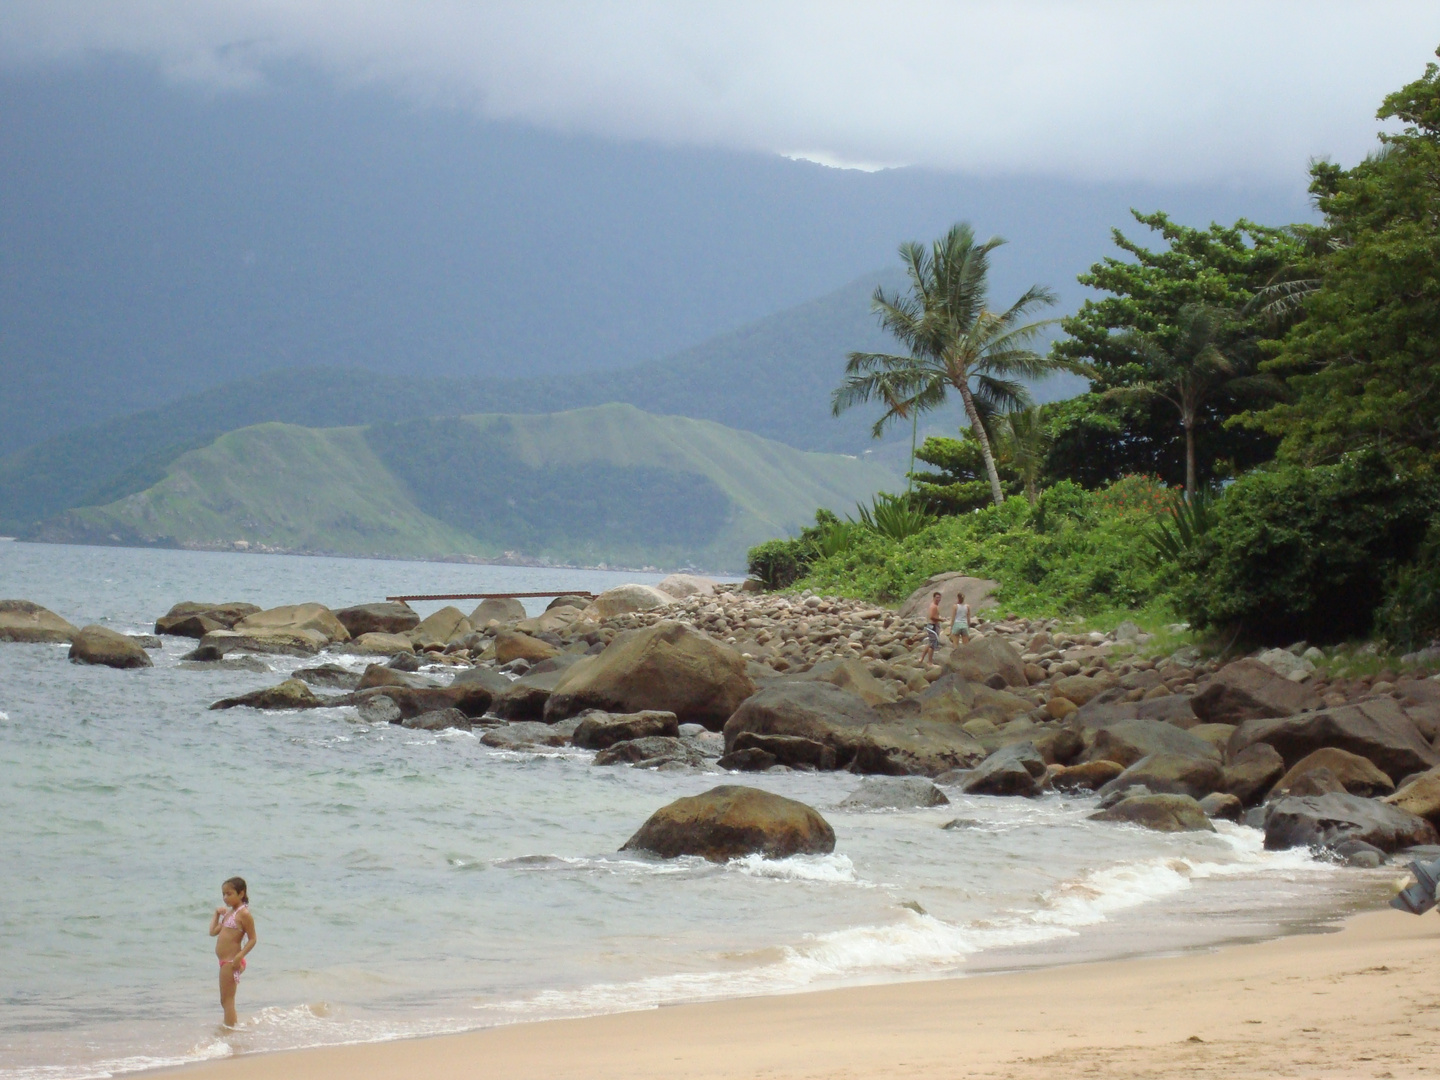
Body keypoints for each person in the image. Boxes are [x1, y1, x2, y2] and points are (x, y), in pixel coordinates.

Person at [209, 876, 257, 1028]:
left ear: (241, 894)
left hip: (231, 961)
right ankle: (231, 1028)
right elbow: (213, 931)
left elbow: (253, 939)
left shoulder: (244, 914)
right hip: (225, 961)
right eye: (223, 894)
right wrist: (217, 914)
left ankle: (231, 1031)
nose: (225, 898)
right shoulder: (230, 913)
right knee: (224, 1000)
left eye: (229, 894)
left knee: (228, 1000)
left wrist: (239, 956)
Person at [918, 591, 942, 667]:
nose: (938, 599)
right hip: (932, 626)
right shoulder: (933, 606)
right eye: (937, 597)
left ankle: (921, 658)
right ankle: (930, 662)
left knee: (930, 643)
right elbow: (931, 617)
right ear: (934, 598)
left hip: (934, 626)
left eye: (939, 597)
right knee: (932, 644)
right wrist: (940, 620)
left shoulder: (935, 605)